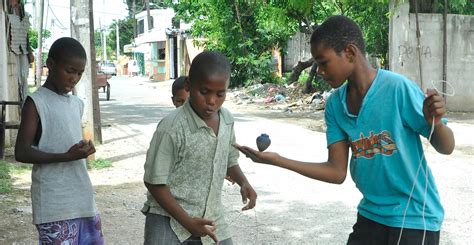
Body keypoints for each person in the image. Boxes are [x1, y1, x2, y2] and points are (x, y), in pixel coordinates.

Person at [235, 15, 455, 245]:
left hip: (413, 221)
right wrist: (277, 160)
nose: (318, 71)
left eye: (323, 62)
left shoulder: (397, 89)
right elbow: (336, 171)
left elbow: (446, 147)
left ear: (350, 53)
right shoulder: (335, 106)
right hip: (372, 215)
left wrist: (436, 122)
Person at [142, 51, 257, 245]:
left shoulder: (227, 120)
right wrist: (188, 222)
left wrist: (243, 182)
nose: (212, 101)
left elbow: (228, 159)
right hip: (167, 218)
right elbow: (154, 182)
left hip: (211, 216)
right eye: (204, 92)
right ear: (188, 86)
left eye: (220, 94)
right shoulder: (171, 127)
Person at [15, 37, 104, 244]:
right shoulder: (36, 102)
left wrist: (83, 149)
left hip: (83, 199)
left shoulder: (76, 104)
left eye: (80, 73)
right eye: (70, 71)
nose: (74, 78)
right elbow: (22, 152)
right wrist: (66, 156)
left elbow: (64, 139)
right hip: (54, 204)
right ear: (51, 64)